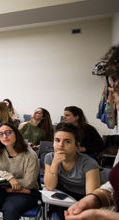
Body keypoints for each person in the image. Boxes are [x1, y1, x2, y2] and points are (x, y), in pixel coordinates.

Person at [66, 46, 119, 220]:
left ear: (77, 116)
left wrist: (102, 215)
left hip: (85, 157)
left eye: (116, 87)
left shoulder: (89, 130)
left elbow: (99, 147)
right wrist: (95, 198)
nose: (110, 98)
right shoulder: (64, 130)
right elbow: (115, 185)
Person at [0, 122, 41, 220]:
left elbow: (29, 183)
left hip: (23, 191)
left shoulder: (30, 155)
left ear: (16, 133)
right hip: (1, 187)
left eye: (8, 132)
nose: (4, 136)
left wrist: (6, 181)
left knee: (9, 209)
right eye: (0, 134)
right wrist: (9, 177)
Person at [45, 123, 100, 219]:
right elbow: (50, 186)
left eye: (67, 141)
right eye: (57, 140)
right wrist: (55, 163)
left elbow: (92, 198)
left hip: (87, 197)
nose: (60, 145)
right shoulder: (50, 157)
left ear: (77, 145)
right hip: (68, 195)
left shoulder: (88, 163)